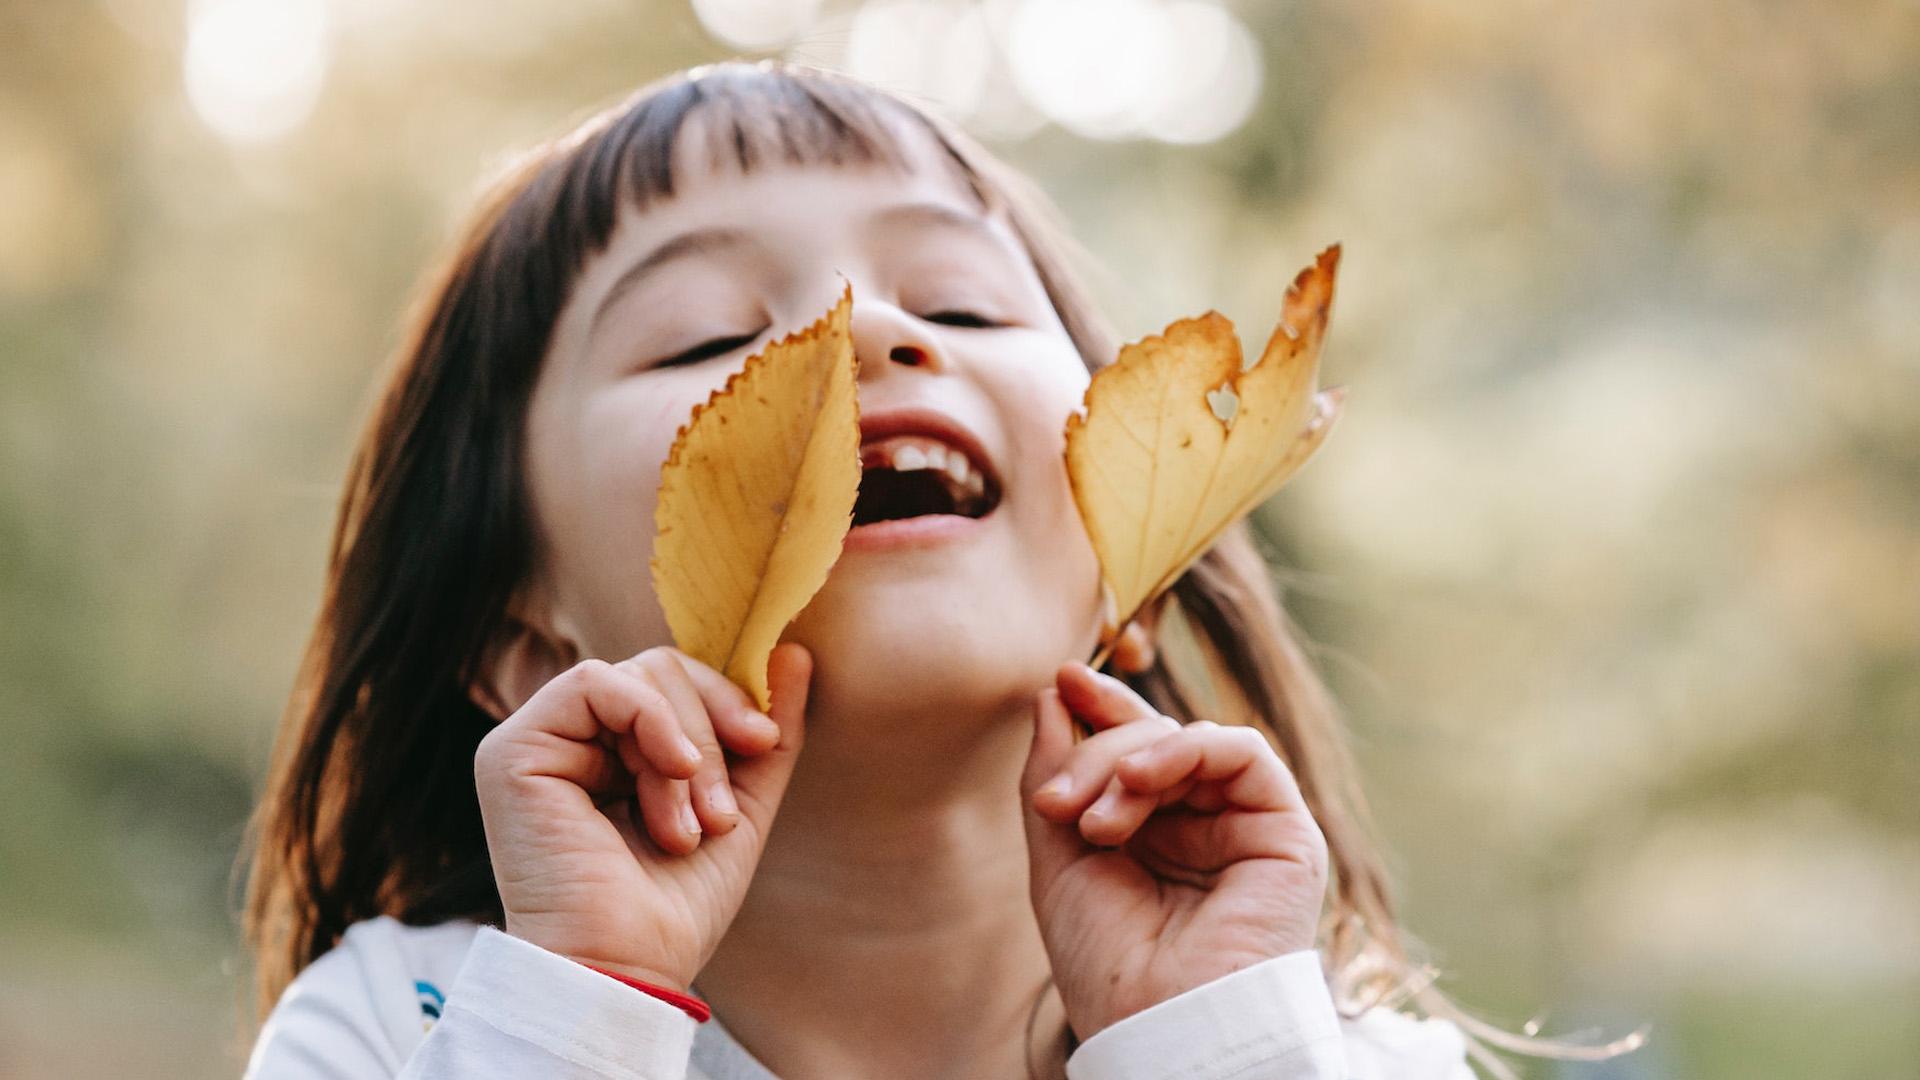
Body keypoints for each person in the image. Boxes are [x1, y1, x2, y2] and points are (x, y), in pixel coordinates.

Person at [239, 59, 1582, 1080]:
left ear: (1142, 570)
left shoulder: (1331, 1052)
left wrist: (1214, 1043)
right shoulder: (403, 1032)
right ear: (527, 644)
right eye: (705, 339)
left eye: (961, 305)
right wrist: (579, 1004)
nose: (868, 330)